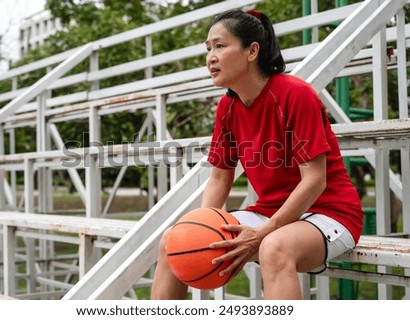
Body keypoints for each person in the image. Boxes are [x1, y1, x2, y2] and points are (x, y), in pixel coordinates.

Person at [151, 9, 363, 300]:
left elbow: (315, 180)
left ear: (252, 51)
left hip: (329, 213)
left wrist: (263, 233)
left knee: (274, 247)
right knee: (172, 241)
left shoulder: (295, 94)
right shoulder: (227, 109)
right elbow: (219, 179)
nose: (210, 57)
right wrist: (198, 227)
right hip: (268, 214)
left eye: (220, 46)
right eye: (208, 48)